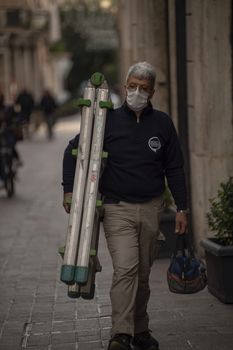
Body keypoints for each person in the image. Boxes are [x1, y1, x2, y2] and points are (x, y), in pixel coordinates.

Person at [62, 62, 188, 350]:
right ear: (124, 85)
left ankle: (140, 329)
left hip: (152, 208)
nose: (136, 92)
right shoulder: (107, 121)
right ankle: (121, 333)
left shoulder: (163, 124)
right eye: (132, 86)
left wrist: (182, 208)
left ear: (153, 91)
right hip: (117, 208)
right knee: (126, 270)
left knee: (143, 276)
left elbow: (176, 169)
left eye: (143, 88)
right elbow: (73, 152)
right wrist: (69, 190)